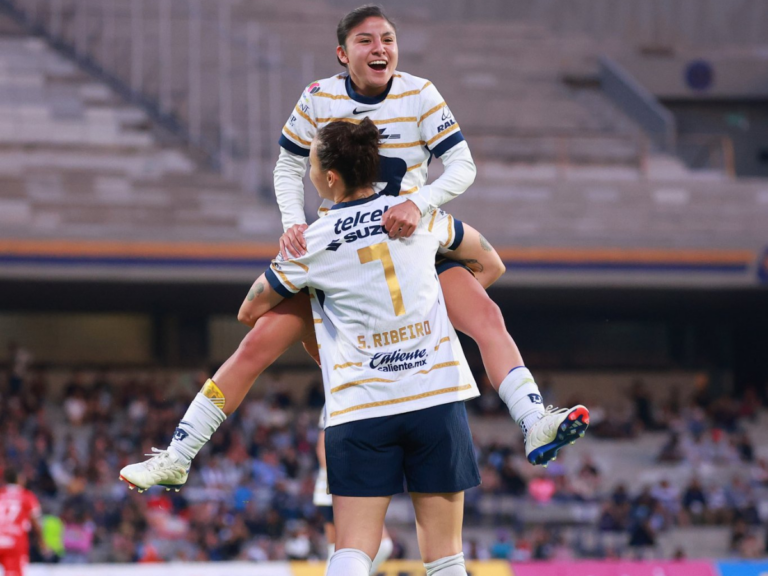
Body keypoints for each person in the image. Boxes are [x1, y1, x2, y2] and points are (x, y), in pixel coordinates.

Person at [119, 4, 587, 493]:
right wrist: (292, 224)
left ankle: (533, 418)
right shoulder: (318, 98)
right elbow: (287, 167)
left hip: (411, 238)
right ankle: (178, 454)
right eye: (365, 41)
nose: (379, 47)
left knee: (485, 314)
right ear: (342, 54)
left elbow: (463, 167)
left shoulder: (420, 93)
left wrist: (419, 207)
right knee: (257, 344)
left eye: (387, 38)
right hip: (342, 250)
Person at [314, 412, 392, 575]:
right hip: (338, 490)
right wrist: (339, 480)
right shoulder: (335, 398)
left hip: (358, 486)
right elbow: (322, 448)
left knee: (345, 552)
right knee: (337, 551)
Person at [0, 469, 45, 576]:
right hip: (15, 541)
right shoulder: (27, 496)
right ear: (19, 479)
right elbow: (36, 521)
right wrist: (42, 541)